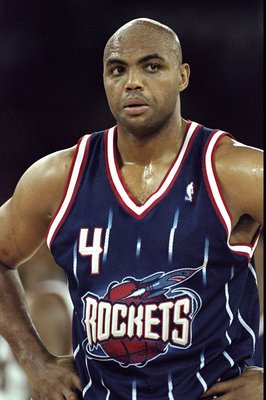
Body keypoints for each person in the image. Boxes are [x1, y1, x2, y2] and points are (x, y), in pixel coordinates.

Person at [0, 17, 263, 400]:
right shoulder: (58, 177)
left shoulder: (235, 170)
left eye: (152, 66)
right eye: (118, 70)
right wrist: (34, 361)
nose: (132, 82)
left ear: (182, 76)